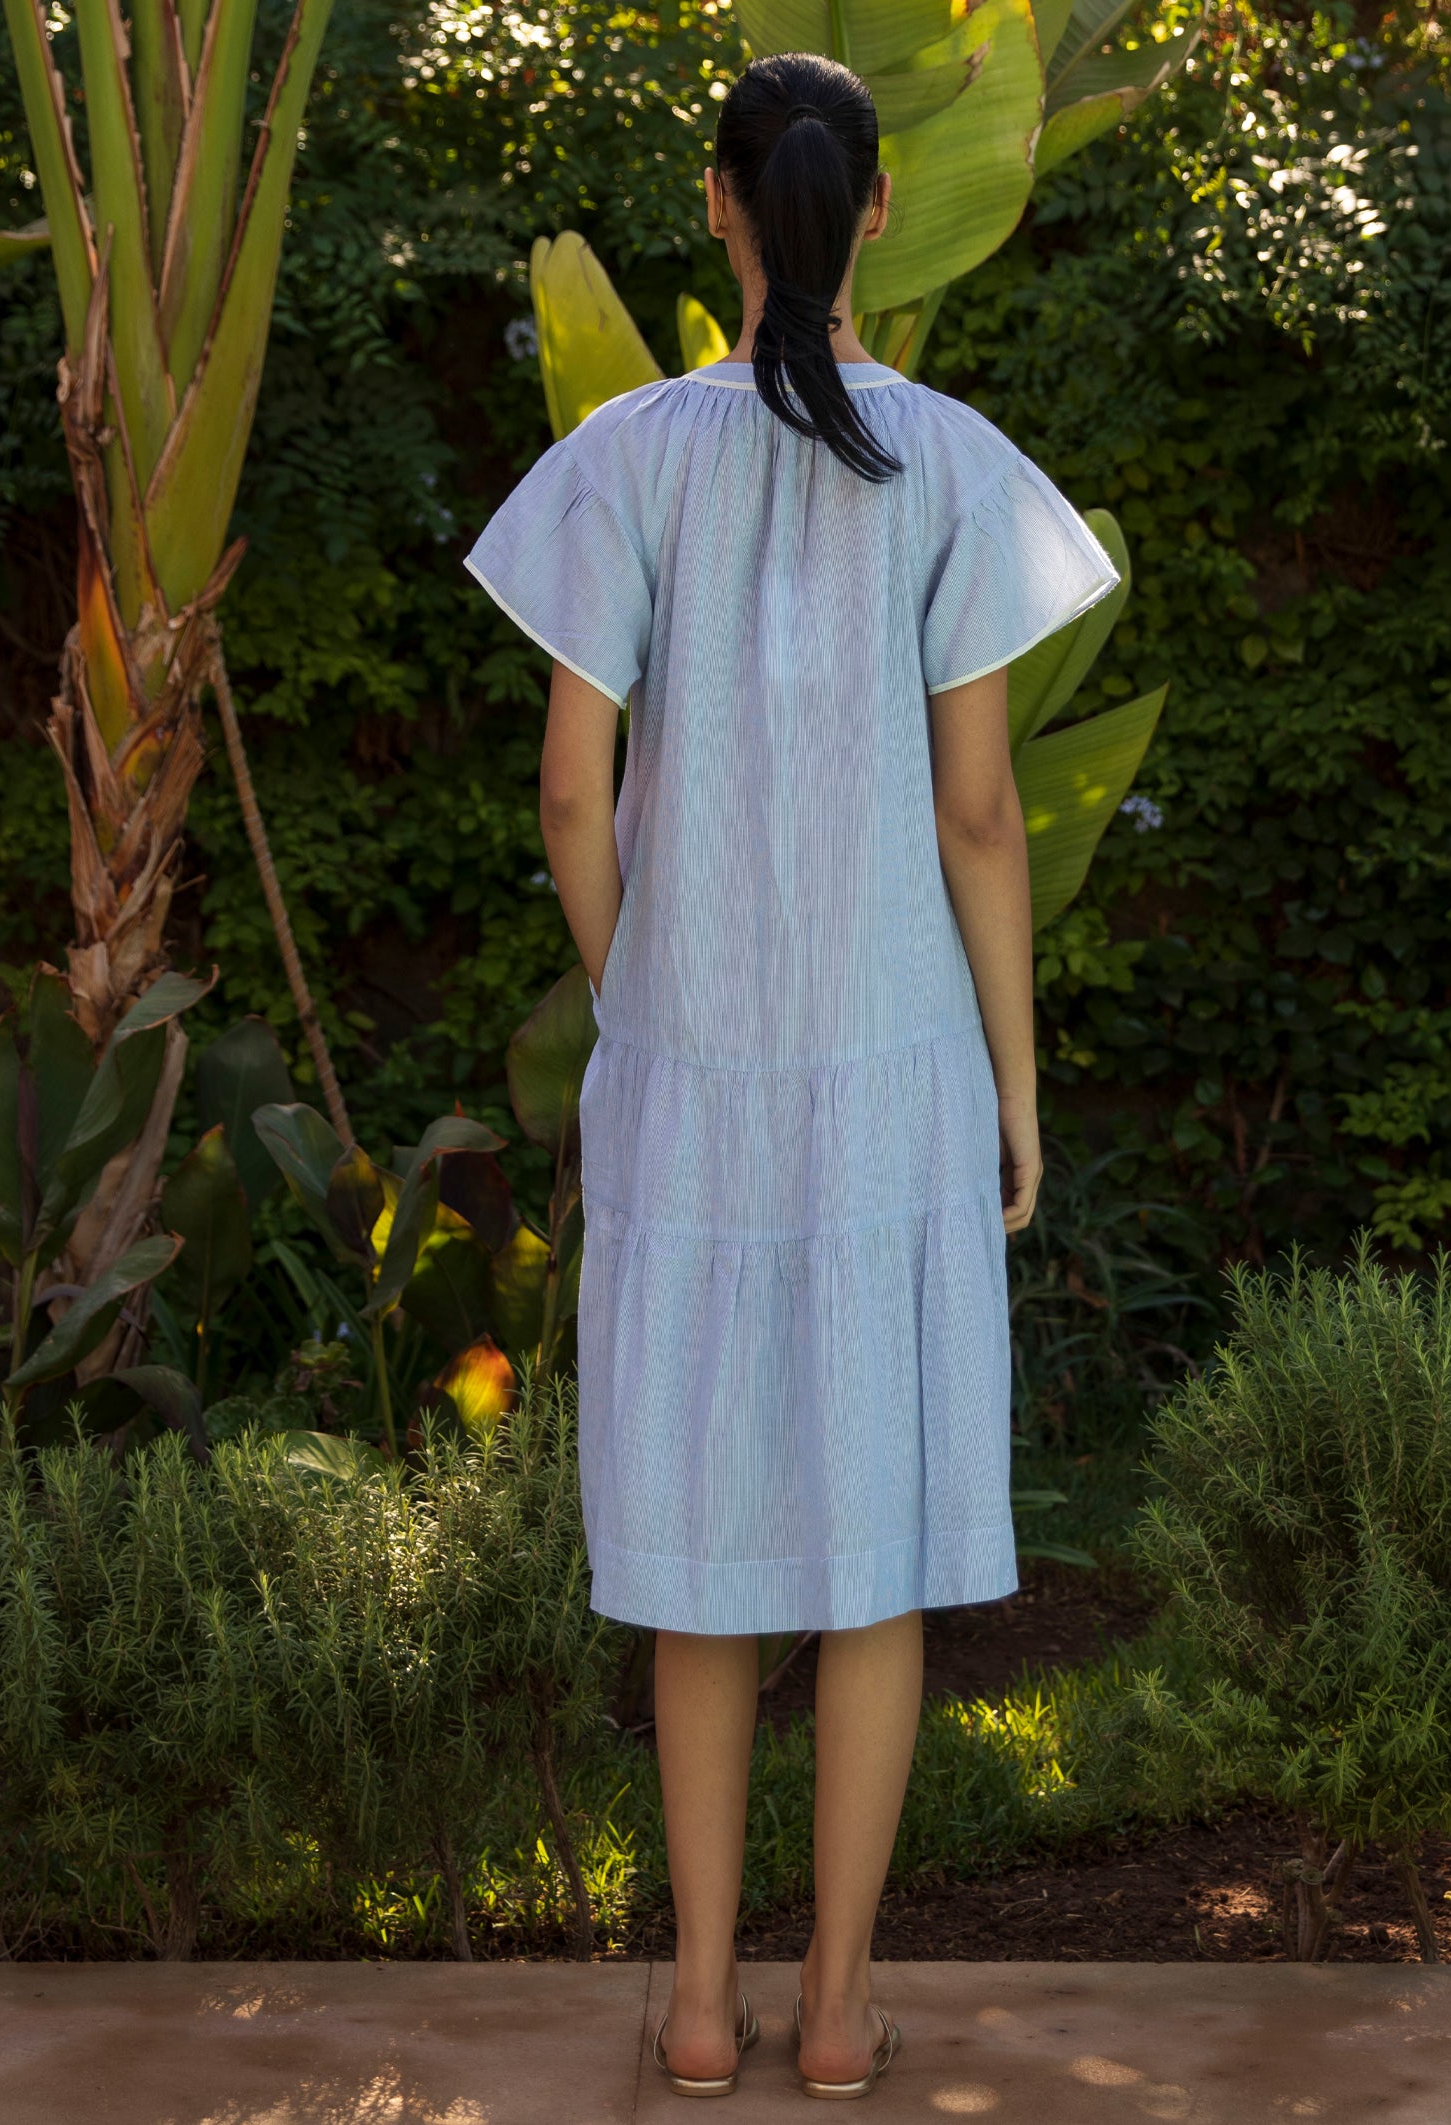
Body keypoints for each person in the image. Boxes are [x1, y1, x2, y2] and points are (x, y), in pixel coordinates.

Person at [466, 50, 1116, 2101]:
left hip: (689, 1078)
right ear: (881, 208)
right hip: (893, 1071)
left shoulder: (626, 457)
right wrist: (1015, 1087)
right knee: (868, 1562)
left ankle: (693, 2005)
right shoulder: (954, 465)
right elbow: (981, 814)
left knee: (698, 1560)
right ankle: (836, 2008)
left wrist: (639, 991)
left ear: (719, 206)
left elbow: (569, 794)